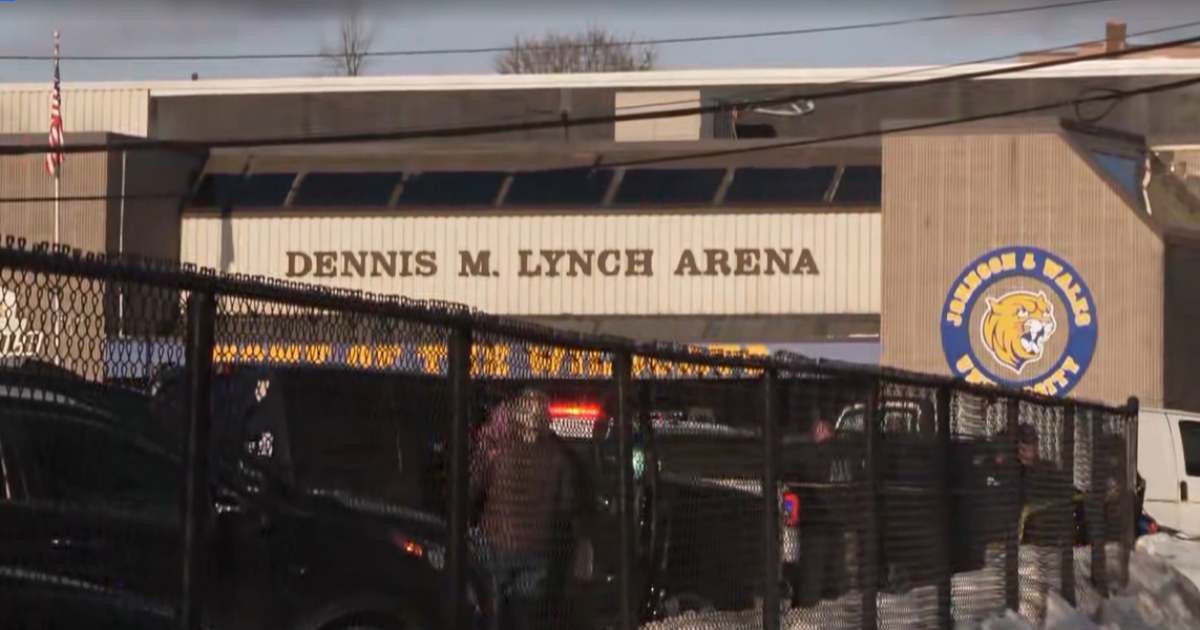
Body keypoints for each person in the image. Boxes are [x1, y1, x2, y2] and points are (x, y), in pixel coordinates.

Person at [470, 388, 575, 630]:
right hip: (537, 545)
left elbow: (475, 486)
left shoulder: (498, 450)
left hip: (496, 542)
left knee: (490, 607)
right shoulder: (557, 457)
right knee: (525, 615)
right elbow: (566, 504)